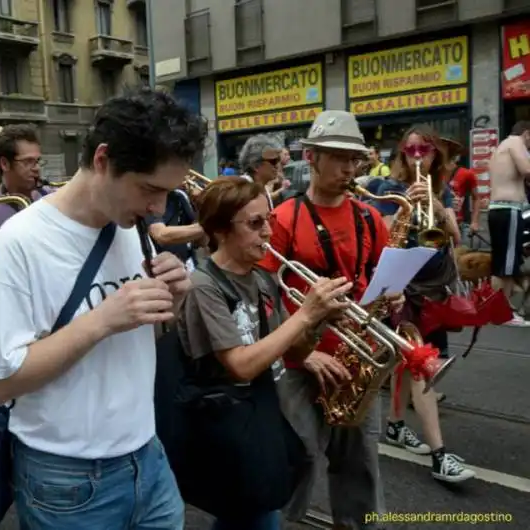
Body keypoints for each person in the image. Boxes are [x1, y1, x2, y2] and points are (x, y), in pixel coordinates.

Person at [0, 87, 207, 529]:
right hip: (68, 479)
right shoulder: (20, 242)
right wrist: (102, 320)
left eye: (169, 194)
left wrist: (169, 301)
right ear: (102, 160)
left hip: (147, 456)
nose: (158, 208)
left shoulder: (131, 227)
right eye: (150, 190)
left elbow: (134, 341)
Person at [178, 177, 352, 530]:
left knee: (253, 512)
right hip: (227, 419)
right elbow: (240, 365)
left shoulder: (263, 278)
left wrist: (317, 322)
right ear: (220, 230)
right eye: (255, 224)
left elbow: (295, 349)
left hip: (264, 410)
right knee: (253, 512)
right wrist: (305, 314)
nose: (269, 233)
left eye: (269, 220)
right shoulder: (203, 287)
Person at [260, 111, 394, 529]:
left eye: (355, 159)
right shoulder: (283, 217)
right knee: (294, 460)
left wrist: (392, 294)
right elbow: (264, 294)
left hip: (357, 362)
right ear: (312, 158)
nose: (350, 169)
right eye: (339, 158)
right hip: (303, 361)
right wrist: (306, 351)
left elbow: (378, 275)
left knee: (361, 468)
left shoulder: (369, 217)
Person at [373, 125, 474, 484]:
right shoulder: (389, 189)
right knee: (420, 363)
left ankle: (396, 425)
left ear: (435, 154)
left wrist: (434, 205)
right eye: (411, 150)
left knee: (404, 365)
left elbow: (456, 237)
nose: (418, 156)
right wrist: (408, 206)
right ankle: (440, 455)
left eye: (425, 150)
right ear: (402, 154)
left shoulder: (441, 189)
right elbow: (385, 238)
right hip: (403, 289)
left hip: (434, 289)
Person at [0, 124, 52, 241]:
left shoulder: (52, 197)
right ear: (4, 164)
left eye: (37, 161)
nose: (37, 168)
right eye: (28, 161)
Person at [487, 121, 530, 324]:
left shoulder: (499, 148)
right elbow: (526, 169)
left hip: (496, 209)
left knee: (500, 262)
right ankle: (504, 313)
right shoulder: (516, 142)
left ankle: (495, 309)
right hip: (510, 209)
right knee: (509, 264)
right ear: (527, 134)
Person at [145, 186, 204, 272]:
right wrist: (208, 224)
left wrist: (203, 208)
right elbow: (161, 235)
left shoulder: (179, 195)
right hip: (162, 268)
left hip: (189, 264)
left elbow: (200, 240)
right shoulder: (146, 200)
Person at [442, 137, 480, 234]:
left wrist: (474, 222)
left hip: (456, 224)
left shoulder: (467, 174)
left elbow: (476, 198)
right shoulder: (431, 173)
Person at [238, 134, 285, 206]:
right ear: (256, 166)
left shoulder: (262, 188)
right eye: (273, 161)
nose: (278, 165)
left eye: (278, 160)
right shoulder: (241, 190)